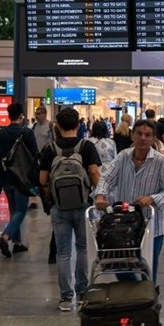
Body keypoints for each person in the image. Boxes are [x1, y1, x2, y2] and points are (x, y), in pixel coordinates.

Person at [93, 120, 164, 282]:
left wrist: (152, 198)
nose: (143, 138)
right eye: (139, 133)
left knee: (148, 269)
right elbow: (107, 179)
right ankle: (134, 296)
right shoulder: (123, 157)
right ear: (132, 135)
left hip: (151, 227)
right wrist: (100, 195)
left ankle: (147, 298)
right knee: (119, 264)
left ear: (153, 139)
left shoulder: (161, 162)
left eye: (148, 135)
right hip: (122, 224)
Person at [38, 107, 102, 311]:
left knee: (63, 252)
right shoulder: (86, 146)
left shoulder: (50, 149)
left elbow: (42, 179)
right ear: (78, 125)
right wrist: (99, 193)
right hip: (83, 205)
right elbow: (94, 173)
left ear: (57, 126)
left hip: (59, 206)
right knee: (83, 249)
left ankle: (66, 298)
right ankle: (82, 293)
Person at [0, 102, 38, 258]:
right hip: (21, 178)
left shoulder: (0, 134)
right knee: (21, 210)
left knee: (13, 210)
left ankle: (17, 243)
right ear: (21, 116)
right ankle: (5, 237)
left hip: (6, 178)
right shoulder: (27, 133)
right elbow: (34, 155)